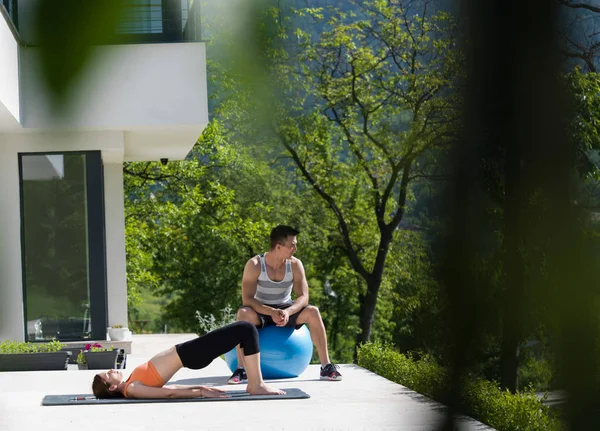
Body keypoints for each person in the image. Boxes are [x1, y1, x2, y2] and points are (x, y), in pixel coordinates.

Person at [227, 225, 342, 384]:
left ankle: (326, 366)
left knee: (313, 312)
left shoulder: (295, 264)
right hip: (260, 310)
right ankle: (242, 369)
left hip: (286, 308)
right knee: (243, 313)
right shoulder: (254, 265)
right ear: (279, 247)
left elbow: (303, 297)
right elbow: (247, 299)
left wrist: (288, 311)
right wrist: (270, 311)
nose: (295, 248)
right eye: (292, 245)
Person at [92, 321, 285, 399]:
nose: (112, 370)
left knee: (245, 331)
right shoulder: (132, 389)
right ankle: (256, 384)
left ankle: (255, 382)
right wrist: (200, 392)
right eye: (108, 374)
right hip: (191, 354)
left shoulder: (129, 383)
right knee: (246, 329)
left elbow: (168, 389)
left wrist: (203, 387)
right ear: (110, 387)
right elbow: (167, 394)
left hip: (190, 351)